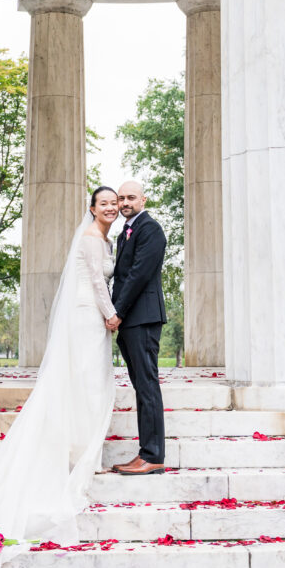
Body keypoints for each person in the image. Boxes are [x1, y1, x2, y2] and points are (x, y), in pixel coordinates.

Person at [0, 186, 119, 568]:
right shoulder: (93, 239)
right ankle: (81, 450)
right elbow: (95, 282)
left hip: (89, 313)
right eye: (103, 203)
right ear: (92, 208)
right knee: (89, 382)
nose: (110, 207)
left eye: (113, 203)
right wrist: (111, 314)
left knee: (89, 382)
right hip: (87, 313)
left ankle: (80, 445)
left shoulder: (103, 237)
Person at [106, 180, 167, 475]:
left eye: (131, 197)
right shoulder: (125, 233)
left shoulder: (150, 229)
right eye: (121, 198)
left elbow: (139, 275)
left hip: (142, 317)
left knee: (147, 387)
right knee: (141, 387)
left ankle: (153, 455)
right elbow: (121, 275)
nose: (125, 202)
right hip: (132, 319)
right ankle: (145, 452)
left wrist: (117, 311)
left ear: (143, 200)